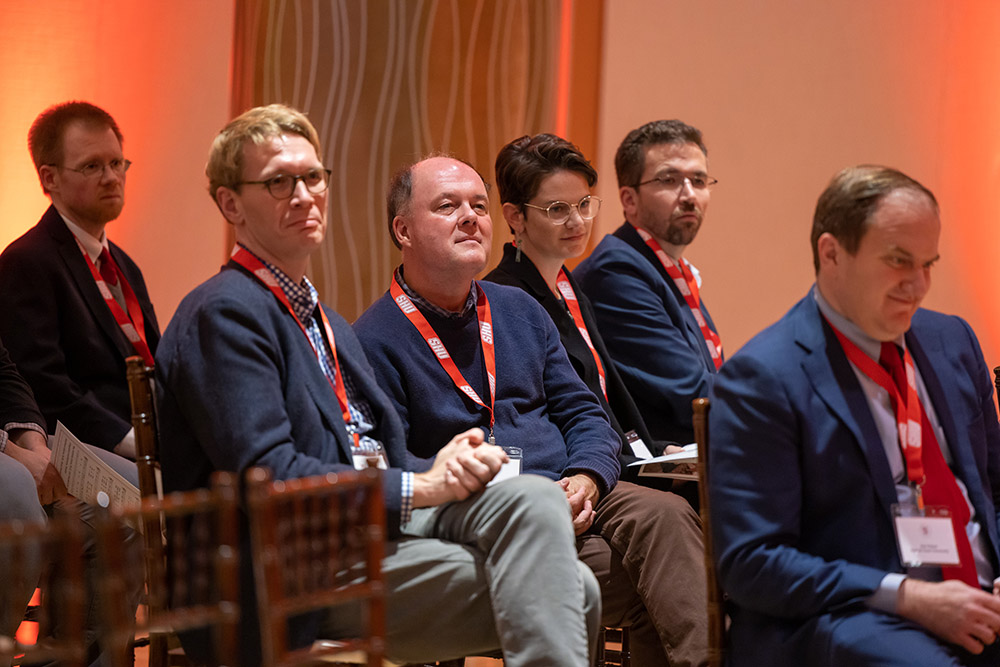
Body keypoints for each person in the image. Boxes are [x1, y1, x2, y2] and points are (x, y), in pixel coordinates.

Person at [155, 104, 600, 667]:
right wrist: (425, 487)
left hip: (366, 527)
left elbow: (374, 454)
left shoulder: (325, 319)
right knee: (575, 591)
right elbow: (267, 481)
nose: (303, 195)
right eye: (277, 182)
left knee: (534, 495)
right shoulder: (224, 313)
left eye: (313, 177)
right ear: (230, 204)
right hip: (285, 568)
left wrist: (446, 470)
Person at [355, 154, 709, 666]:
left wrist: (586, 476)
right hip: (489, 515)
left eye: (479, 205)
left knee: (669, 514)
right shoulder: (373, 340)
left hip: (570, 487)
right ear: (403, 230)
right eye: (448, 206)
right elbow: (398, 468)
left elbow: (584, 414)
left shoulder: (520, 309)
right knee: (657, 578)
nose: (471, 217)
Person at [709, 165, 1000, 666]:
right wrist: (908, 596)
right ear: (831, 253)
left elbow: (995, 487)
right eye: (898, 261)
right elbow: (752, 564)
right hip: (851, 614)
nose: (919, 285)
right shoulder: (762, 376)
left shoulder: (952, 341)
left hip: (980, 596)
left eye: (929, 263)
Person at [483, 133, 679, 489]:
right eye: (557, 209)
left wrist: (656, 451)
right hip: (574, 471)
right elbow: (549, 418)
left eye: (584, 204)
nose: (577, 221)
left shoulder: (567, 284)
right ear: (515, 217)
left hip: (617, 456)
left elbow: (605, 394)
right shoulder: (505, 300)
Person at [0, 101, 160, 458]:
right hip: (86, 449)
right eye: (92, 166)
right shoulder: (26, 261)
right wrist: (134, 441)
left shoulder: (124, 264)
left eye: (117, 163)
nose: (111, 177)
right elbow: (43, 385)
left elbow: (154, 362)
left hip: (149, 440)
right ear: (49, 178)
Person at [575, 119, 722, 444]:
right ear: (629, 199)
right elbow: (691, 394)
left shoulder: (664, 266)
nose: (689, 196)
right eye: (669, 180)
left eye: (699, 180)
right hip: (661, 471)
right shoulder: (617, 271)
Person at [0, 334, 140, 664]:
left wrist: (35, 446)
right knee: (17, 496)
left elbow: (4, 374)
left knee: (127, 498)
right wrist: (12, 451)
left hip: (11, 443)